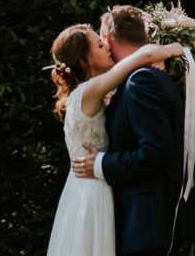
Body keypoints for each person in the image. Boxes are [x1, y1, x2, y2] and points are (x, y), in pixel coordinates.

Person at [46, 22, 183, 256]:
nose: (107, 47)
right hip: (93, 188)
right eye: (100, 46)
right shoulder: (89, 91)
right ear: (85, 61)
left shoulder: (89, 93)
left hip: (87, 185)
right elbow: (144, 55)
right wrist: (175, 48)